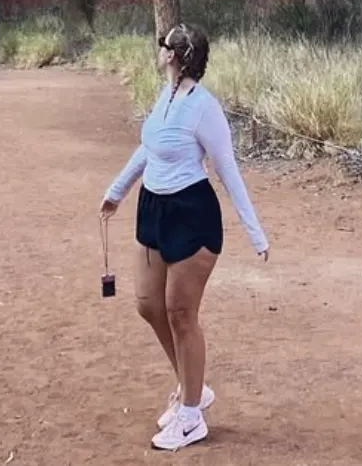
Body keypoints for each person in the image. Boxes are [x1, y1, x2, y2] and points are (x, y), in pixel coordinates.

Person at [101, 23, 268, 451]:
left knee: (180, 313)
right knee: (147, 304)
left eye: (163, 46)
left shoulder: (204, 108)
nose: (158, 51)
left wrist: (255, 232)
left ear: (173, 55)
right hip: (152, 210)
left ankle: (192, 415)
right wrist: (117, 190)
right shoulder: (166, 96)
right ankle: (194, 387)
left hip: (192, 215)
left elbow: (227, 169)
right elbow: (149, 147)